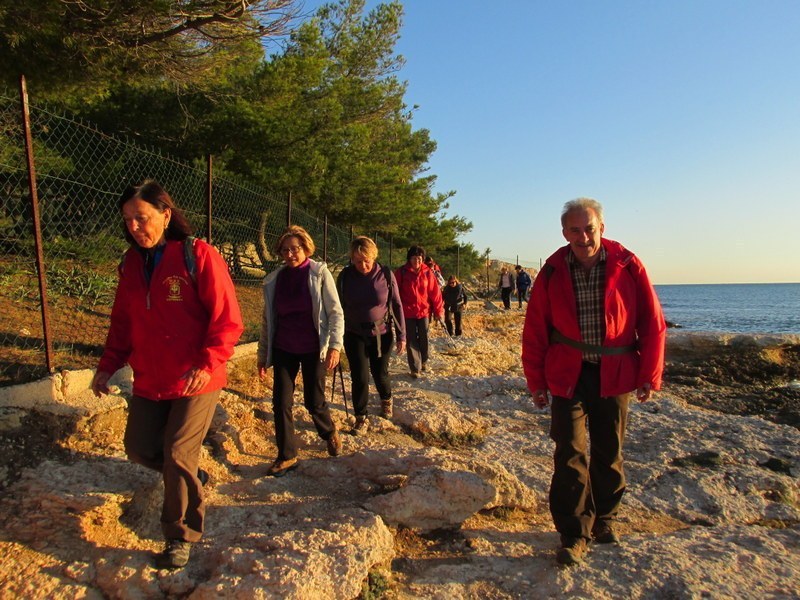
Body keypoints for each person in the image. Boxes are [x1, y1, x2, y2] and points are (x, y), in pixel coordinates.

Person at [91, 180, 244, 570]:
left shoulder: (198, 255)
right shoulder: (130, 264)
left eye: (141, 218)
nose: (134, 227)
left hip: (196, 377)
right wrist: (107, 366)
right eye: (127, 221)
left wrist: (208, 361)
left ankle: (180, 535)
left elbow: (228, 320)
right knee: (141, 448)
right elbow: (122, 322)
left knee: (177, 452)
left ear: (166, 214)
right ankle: (190, 476)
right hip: (150, 378)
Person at [521, 197, 665, 566]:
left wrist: (649, 374)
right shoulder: (553, 270)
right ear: (564, 232)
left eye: (589, 228)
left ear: (602, 226)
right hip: (567, 373)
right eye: (575, 230)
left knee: (609, 450)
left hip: (615, 373)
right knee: (568, 452)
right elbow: (535, 329)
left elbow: (651, 322)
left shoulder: (628, 265)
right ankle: (573, 533)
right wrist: (536, 380)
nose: (583, 236)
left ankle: (606, 519)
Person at [257, 225, 344, 478]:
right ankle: (287, 455)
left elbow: (335, 311)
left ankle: (328, 432)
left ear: (306, 248)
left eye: (295, 249)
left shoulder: (319, 273)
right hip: (284, 347)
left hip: (313, 348)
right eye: (285, 250)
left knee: (313, 401)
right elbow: (267, 321)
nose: (290, 254)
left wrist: (335, 346)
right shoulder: (276, 280)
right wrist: (263, 355)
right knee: (280, 402)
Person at [336, 236, 406, 428]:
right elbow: (337, 307)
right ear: (352, 259)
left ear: (374, 256)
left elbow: (397, 304)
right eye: (358, 261)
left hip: (382, 333)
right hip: (354, 332)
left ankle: (386, 399)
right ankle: (361, 417)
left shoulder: (385, 274)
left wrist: (402, 336)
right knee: (360, 376)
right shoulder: (345, 277)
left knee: (379, 372)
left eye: (367, 260)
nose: (363, 265)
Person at [395, 245, 445, 378]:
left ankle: (424, 360)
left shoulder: (428, 272)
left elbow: (435, 293)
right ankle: (414, 368)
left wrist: (438, 311)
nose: (417, 261)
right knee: (411, 339)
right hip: (407, 312)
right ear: (409, 259)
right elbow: (395, 293)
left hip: (424, 312)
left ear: (422, 259)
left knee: (424, 338)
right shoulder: (401, 272)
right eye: (414, 258)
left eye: (419, 258)